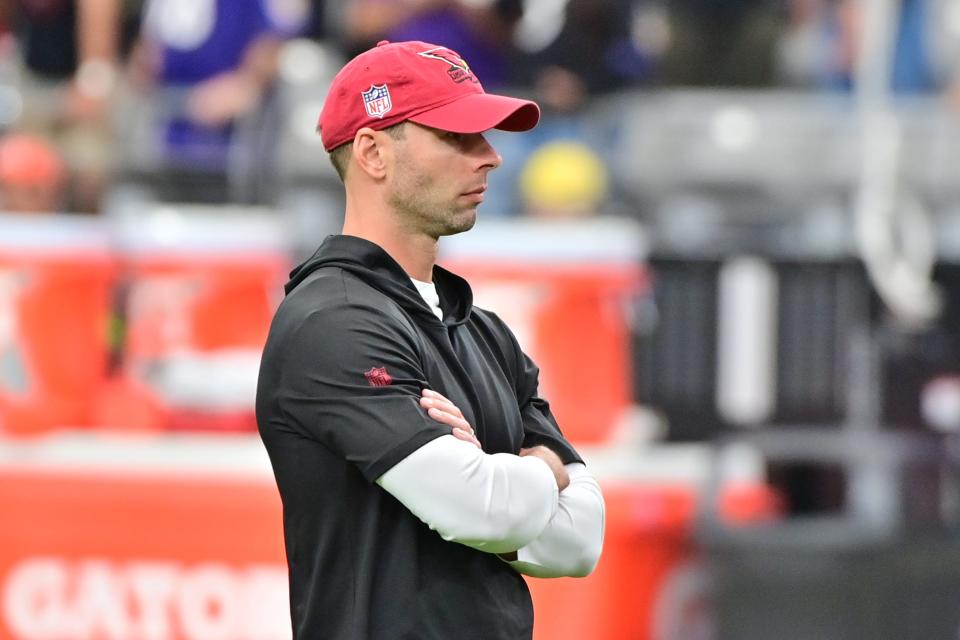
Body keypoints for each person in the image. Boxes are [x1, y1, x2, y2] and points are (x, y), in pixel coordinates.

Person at [256, 39, 605, 639]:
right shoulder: (333, 321)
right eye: (456, 136)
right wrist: (544, 471)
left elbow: (580, 542)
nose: (491, 157)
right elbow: (483, 512)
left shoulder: (484, 330)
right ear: (372, 153)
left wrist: (495, 478)